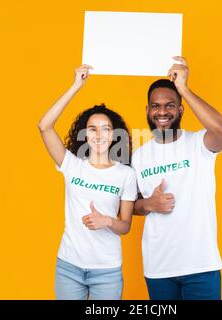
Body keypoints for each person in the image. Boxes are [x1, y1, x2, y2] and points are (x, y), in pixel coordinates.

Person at [131, 56, 222, 300]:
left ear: (180, 109)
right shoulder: (138, 156)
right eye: (156, 106)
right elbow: (129, 205)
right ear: (147, 110)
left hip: (200, 266)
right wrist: (149, 204)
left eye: (170, 105)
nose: (162, 112)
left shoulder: (199, 144)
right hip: (158, 268)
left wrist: (183, 88)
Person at [38, 65, 137, 300]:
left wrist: (107, 221)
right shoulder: (72, 165)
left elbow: (125, 226)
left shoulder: (126, 175)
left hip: (107, 271)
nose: (99, 134)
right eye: (92, 129)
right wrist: (76, 86)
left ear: (114, 135)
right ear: (85, 134)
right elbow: (44, 126)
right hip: (68, 267)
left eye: (105, 129)